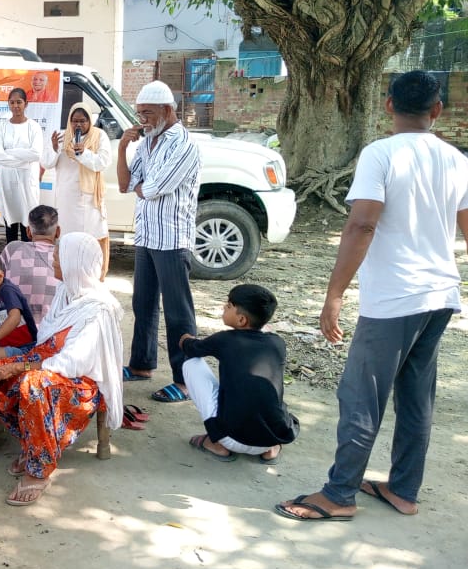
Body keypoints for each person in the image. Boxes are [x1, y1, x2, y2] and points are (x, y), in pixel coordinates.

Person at [276, 71, 468, 523]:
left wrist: (334, 294)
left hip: (396, 298)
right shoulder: (456, 159)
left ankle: (339, 494)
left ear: (388, 105)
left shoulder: (380, 153)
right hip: (440, 294)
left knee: (361, 395)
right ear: (437, 110)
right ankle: (403, 490)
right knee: (416, 397)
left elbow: (362, 223)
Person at [0, 232, 126, 506]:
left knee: (32, 385)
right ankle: (33, 444)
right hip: (45, 362)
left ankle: (39, 471)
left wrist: (21, 365)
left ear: (74, 263)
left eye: (58, 258)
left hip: (79, 382)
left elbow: (73, 362)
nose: (53, 263)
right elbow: (45, 338)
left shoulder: (99, 310)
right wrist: (19, 363)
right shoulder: (66, 291)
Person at [117, 80, 200, 404]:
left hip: (172, 239)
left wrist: (144, 185)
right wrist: (123, 148)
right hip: (147, 235)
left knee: (178, 313)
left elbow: (153, 188)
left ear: (167, 110)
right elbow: (127, 184)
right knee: (143, 304)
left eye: (148, 113)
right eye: (139, 114)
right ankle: (141, 365)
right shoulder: (147, 143)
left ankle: (185, 381)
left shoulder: (184, 144)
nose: (142, 120)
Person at [179, 284, 296, 463]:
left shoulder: (224, 339)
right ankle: (271, 449)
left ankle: (217, 445)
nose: (223, 307)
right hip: (272, 437)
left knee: (191, 365)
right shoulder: (278, 343)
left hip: (231, 438)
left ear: (241, 320)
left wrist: (185, 339)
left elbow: (191, 349)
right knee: (270, 396)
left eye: (228, 306)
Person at [40, 101, 112, 279]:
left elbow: (103, 162)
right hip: (67, 200)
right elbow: (46, 163)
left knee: (91, 239)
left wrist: (84, 153)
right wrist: (54, 149)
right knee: (68, 239)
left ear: (89, 121)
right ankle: (68, 275)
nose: (78, 125)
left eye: (83, 121)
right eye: (75, 121)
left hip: (90, 200)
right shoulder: (62, 137)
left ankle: (92, 277)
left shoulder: (99, 136)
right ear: (70, 121)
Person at [0, 88, 43, 244]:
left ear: (26, 104)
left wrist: (10, 152)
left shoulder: (33, 127)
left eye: (19, 102)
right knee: (10, 224)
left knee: (28, 222)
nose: (15, 106)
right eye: (12, 102)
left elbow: (36, 154)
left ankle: (27, 257)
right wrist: (24, 160)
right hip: (7, 182)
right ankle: (11, 256)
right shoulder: (2, 127)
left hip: (27, 182)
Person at [0, 204, 61, 325]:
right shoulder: (63, 255)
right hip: (51, 329)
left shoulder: (12, 249)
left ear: (28, 231)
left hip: (13, 328)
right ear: (58, 232)